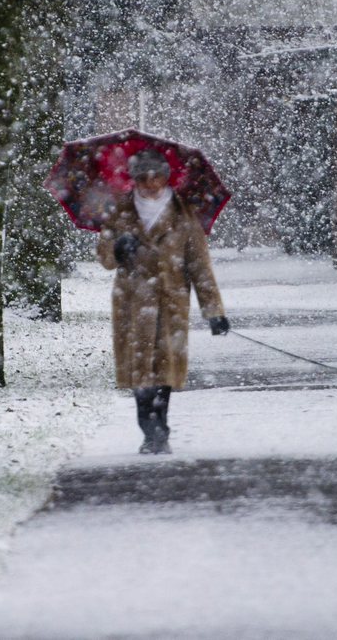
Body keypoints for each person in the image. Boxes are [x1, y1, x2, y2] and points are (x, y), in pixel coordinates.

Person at [96, 148, 230, 454]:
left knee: (164, 373)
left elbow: (199, 266)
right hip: (131, 304)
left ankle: (160, 430)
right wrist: (118, 249)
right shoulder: (121, 212)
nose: (150, 183)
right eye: (142, 177)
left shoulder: (183, 214)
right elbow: (103, 255)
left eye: (156, 176)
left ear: (166, 177)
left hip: (171, 303)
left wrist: (214, 311)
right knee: (139, 373)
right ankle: (150, 431)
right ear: (134, 180)